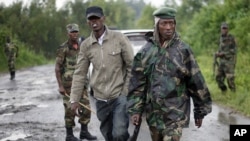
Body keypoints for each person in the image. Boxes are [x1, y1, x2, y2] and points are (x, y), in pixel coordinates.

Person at [127, 7, 212, 141]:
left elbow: (196, 81)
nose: (168, 27)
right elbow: (137, 84)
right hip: (154, 114)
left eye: (171, 23)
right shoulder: (145, 52)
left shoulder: (183, 50)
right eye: (164, 23)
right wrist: (135, 110)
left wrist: (200, 111)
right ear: (156, 25)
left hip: (176, 114)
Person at [70, 6, 134, 141]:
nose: (94, 22)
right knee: (108, 135)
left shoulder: (119, 38)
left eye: (97, 18)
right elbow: (80, 73)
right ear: (87, 22)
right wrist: (74, 99)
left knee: (120, 133)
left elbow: (131, 66)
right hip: (100, 99)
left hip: (119, 96)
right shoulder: (86, 45)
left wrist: (125, 91)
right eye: (91, 19)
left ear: (103, 19)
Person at [55, 23, 97, 141]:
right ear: (68, 33)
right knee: (70, 110)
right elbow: (57, 68)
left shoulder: (81, 47)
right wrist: (60, 86)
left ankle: (84, 132)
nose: (75, 34)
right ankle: (69, 135)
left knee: (86, 108)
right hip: (68, 85)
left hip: (82, 84)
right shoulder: (63, 48)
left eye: (76, 32)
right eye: (72, 32)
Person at [215, 22, 237, 92]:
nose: (224, 30)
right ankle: (224, 91)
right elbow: (220, 48)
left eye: (225, 28)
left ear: (228, 29)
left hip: (229, 62)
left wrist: (224, 54)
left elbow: (234, 50)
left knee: (230, 79)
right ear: (221, 29)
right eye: (222, 28)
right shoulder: (221, 37)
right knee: (218, 78)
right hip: (222, 62)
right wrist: (217, 53)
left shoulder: (232, 38)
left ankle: (233, 93)